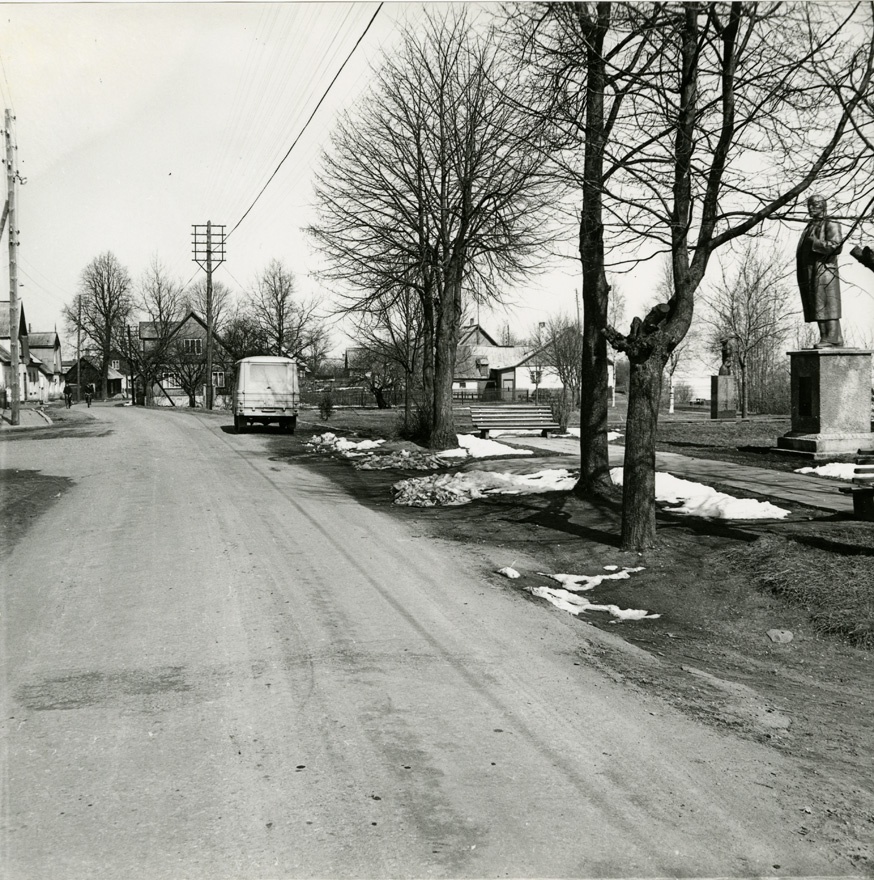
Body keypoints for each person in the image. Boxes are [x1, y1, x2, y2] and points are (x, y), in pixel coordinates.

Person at [796, 194, 844, 348]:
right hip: (811, 272)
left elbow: (836, 246)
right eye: (808, 205)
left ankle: (832, 338)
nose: (810, 208)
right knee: (817, 306)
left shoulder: (831, 223)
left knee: (827, 304)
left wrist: (815, 243)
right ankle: (827, 337)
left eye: (814, 205)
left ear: (822, 206)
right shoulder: (810, 226)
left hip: (824, 271)